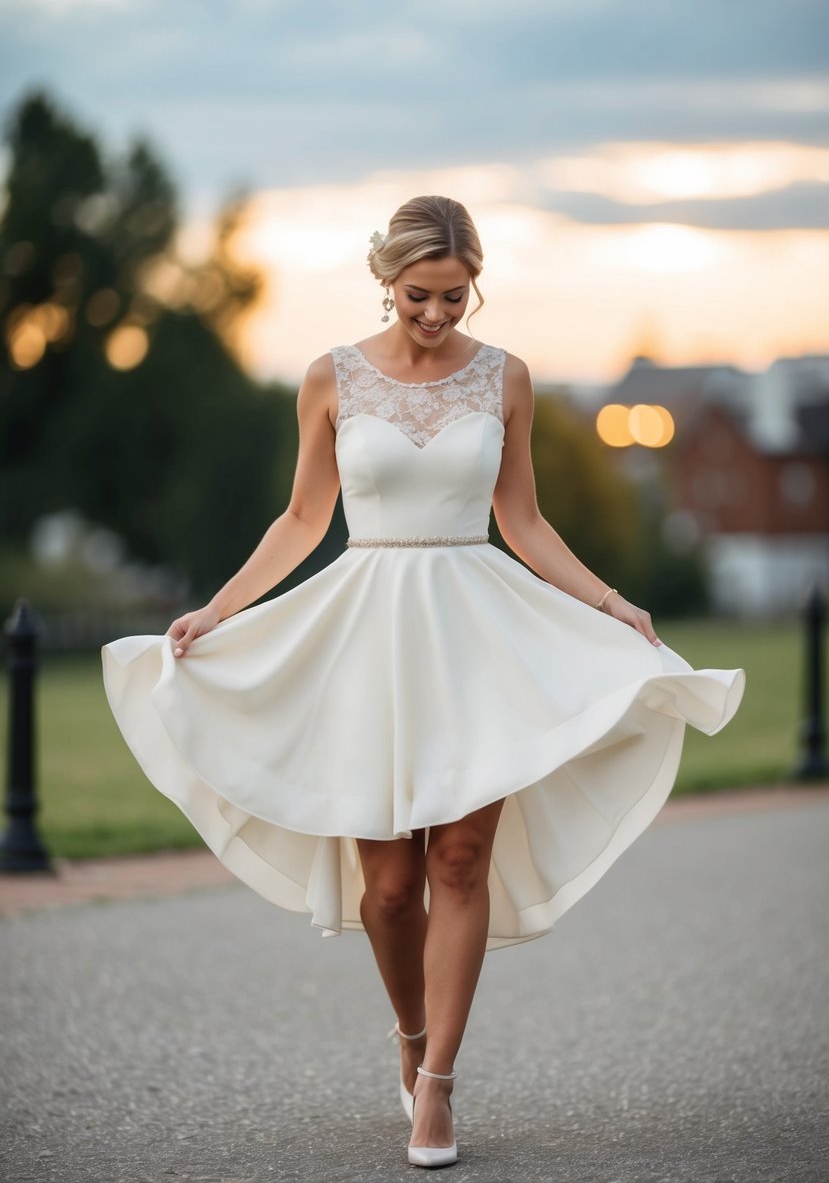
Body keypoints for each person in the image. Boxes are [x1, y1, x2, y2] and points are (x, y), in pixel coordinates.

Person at [102, 195, 745, 1169]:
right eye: (419, 297)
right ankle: (409, 1032)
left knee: (458, 863)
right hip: (369, 636)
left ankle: (438, 1083)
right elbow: (301, 518)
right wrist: (217, 610)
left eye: (454, 295)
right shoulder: (330, 377)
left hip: (473, 633)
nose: (439, 315)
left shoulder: (508, 379)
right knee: (392, 889)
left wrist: (612, 603)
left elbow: (522, 523)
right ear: (386, 280)